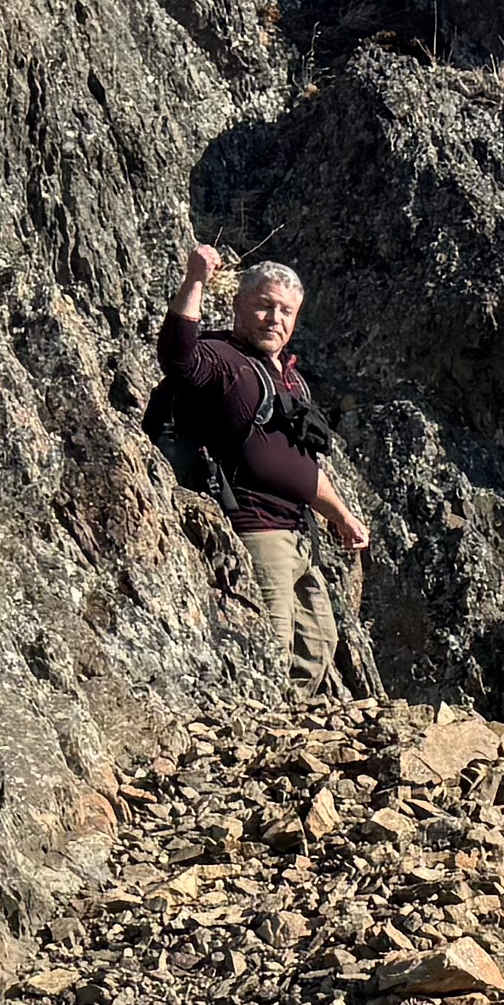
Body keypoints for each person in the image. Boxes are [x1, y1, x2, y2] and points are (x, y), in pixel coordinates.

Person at [157, 240, 372, 684]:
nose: (275, 318)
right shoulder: (222, 358)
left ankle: (296, 741)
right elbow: (177, 359)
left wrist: (342, 515)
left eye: (286, 311)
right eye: (263, 306)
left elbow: (302, 465)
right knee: (269, 651)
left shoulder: (291, 380)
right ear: (237, 304)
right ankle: (260, 741)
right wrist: (196, 277)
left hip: (300, 535)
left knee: (318, 645)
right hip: (255, 528)